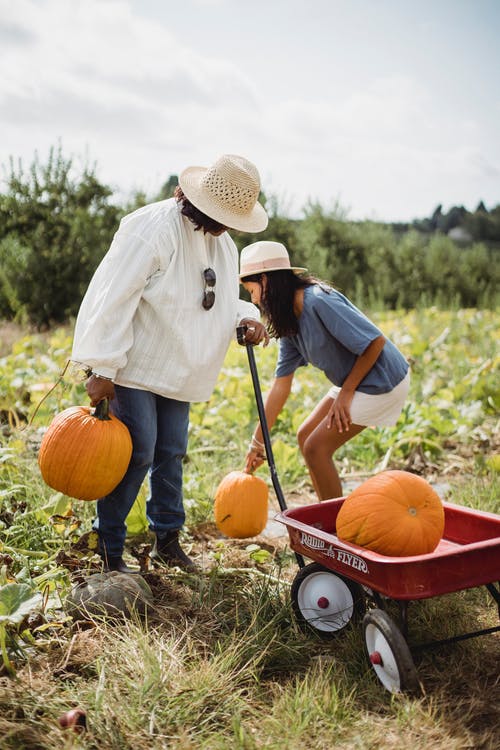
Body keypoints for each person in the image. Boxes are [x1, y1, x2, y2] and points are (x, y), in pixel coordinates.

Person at [71, 154, 269, 573]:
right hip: (135, 363)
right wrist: (102, 367)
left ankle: (168, 540)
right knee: (136, 452)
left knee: (171, 451)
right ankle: (109, 546)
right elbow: (114, 296)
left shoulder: (223, 243)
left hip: (179, 365)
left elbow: (211, 301)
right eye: (224, 216)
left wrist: (246, 318)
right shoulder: (152, 228)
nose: (228, 225)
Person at [241, 241, 410, 501]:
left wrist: (346, 394)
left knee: (316, 448)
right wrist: (257, 443)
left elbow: (375, 342)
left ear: (265, 280)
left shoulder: (319, 300)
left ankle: (334, 528)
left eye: (252, 290)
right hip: (356, 379)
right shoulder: (287, 320)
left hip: (382, 380)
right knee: (305, 435)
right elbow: (280, 387)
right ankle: (325, 513)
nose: (253, 300)